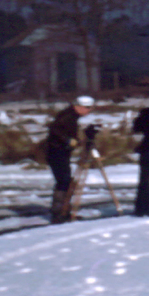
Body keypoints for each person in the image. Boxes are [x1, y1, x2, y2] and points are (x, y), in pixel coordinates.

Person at [46, 95, 95, 224]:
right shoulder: (67, 116)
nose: (88, 111)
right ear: (78, 106)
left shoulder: (71, 116)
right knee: (64, 181)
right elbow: (54, 129)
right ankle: (59, 212)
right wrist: (67, 140)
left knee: (65, 180)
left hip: (60, 151)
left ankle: (63, 211)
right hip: (57, 151)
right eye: (87, 108)